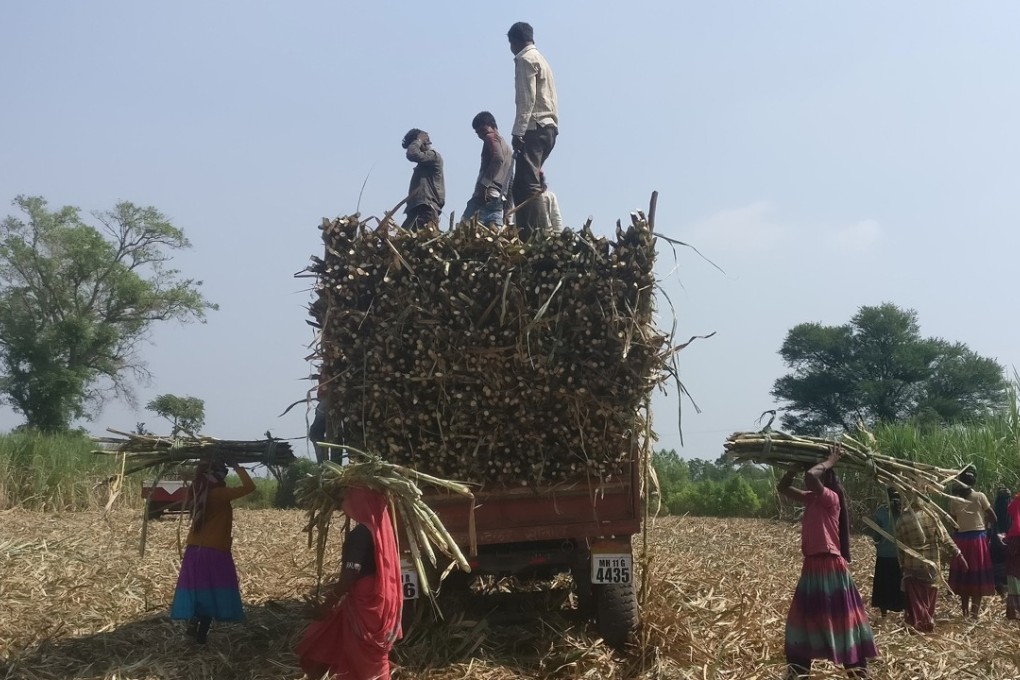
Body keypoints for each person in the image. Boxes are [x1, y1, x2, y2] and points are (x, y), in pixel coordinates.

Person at [777, 446, 877, 679]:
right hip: (812, 567)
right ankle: (798, 672)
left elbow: (811, 476)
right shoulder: (812, 499)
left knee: (842, 621)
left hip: (830, 567)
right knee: (801, 622)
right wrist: (791, 470)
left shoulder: (831, 499)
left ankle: (857, 671)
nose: (815, 480)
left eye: (823, 475)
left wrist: (831, 460)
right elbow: (782, 487)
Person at [296, 486, 402, 679]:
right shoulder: (383, 531)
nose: (344, 502)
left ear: (360, 502)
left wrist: (329, 603)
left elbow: (351, 574)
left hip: (364, 606)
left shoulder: (360, 535)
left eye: (348, 497)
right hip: (378, 604)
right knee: (338, 644)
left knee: (367, 661)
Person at [170, 461, 256, 643]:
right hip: (213, 550)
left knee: (200, 590)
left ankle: (196, 626)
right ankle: (200, 635)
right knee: (211, 591)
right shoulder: (218, 494)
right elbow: (249, 487)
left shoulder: (199, 491)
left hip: (195, 550)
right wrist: (238, 466)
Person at [507, 21, 558, 240]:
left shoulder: (525, 60)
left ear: (515, 41)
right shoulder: (542, 60)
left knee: (527, 185)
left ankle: (535, 235)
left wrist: (518, 132)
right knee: (522, 183)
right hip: (549, 128)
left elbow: (526, 100)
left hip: (534, 127)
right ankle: (528, 230)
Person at [895, 491, 965, 632]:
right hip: (932, 565)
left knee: (916, 600)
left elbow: (900, 547)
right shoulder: (932, 516)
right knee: (929, 598)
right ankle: (926, 622)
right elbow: (946, 539)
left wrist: (902, 565)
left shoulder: (902, 520)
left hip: (912, 566)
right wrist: (959, 554)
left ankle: (921, 623)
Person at [947, 465, 996, 618]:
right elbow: (993, 517)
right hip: (977, 540)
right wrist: (985, 527)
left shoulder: (955, 499)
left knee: (964, 574)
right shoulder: (979, 496)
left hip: (961, 540)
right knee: (977, 576)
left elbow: (952, 521)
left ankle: (965, 612)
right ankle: (974, 614)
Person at [462, 111, 512, 227]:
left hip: (485, 195)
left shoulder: (491, 137)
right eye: (478, 133)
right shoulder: (508, 149)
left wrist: (484, 185)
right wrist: (508, 211)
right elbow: (510, 181)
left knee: (464, 230)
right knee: (493, 234)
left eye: (483, 131)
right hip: (498, 199)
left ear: (493, 126)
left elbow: (498, 159)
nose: (481, 136)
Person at [866, 488, 904, 617]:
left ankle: (884, 613)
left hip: (884, 555)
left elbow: (876, 537)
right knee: (899, 584)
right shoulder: (905, 512)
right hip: (901, 557)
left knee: (884, 583)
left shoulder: (881, 512)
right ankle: (901, 609)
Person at [401, 128, 445, 231]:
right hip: (417, 209)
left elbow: (412, 154)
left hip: (426, 208)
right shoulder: (423, 164)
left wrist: (419, 140)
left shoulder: (433, 156)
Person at [991, 487, 1011, 597]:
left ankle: (999, 584)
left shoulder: (994, 511)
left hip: (996, 541)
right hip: (1010, 541)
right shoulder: (1012, 510)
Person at [1004, 489, 1020, 619]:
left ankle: (1013, 610)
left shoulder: (1016, 501)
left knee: (1013, 574)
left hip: (1016, 538)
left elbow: (1010, 511)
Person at [531, 170, 562, 234]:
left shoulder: (549, 196)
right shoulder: (524, 197)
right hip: (528, 236)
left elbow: (556, 218)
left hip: (547, 236)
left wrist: (559, 236)